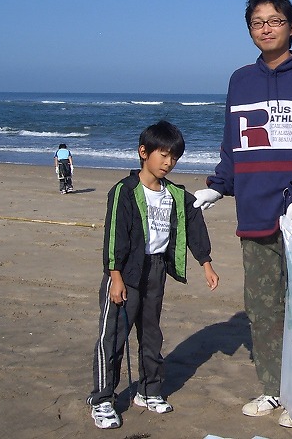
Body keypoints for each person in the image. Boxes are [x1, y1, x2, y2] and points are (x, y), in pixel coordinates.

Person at [193, 0, 292, 429]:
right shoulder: (240, 80)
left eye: (275, 21)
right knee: (264, 311)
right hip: (255, 216)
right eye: (257, 22)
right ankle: (273, 388)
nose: (266, 28)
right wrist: (220, 186)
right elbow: (234, 144)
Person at [86, 120, 220, 430]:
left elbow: (194, 221)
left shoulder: (174, 193)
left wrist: (206, 262)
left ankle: (148, 391)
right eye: (163, 155)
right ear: (144, 152)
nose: (168, 163)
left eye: (174, 157)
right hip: (126, 272)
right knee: (113, 337)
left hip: (156, 270)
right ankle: (102, 399)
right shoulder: (124, 191)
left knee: (151, 334)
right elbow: (114, 236)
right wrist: (115, 276)